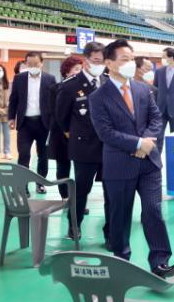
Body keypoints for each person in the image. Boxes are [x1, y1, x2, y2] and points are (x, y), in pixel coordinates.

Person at [90, 39, 174, 277]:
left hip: (149, 164)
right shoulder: (99, 97)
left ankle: (160, 261)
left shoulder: (142, 89)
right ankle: (121, 261)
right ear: (109, 63)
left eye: (132, 59)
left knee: (153, 210)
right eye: (124, 59)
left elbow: (156, 119)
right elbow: (105, 132)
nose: (130, 63)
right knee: (120, 216)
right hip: (119, 165)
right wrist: (138, 143)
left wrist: (146, 142)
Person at [57, 42, 110, 244]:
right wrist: (72, 134)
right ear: (86, 60)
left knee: (111, 192)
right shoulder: (70, 85)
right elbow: (61, 117)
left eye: (103, 61)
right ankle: (74, 225)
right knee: (81, 190)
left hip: (108, 147)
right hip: (84, 148)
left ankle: (111, 231)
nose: (99, 64)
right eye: (96, 60)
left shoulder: (108, 82)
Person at [8, 52, 57, 193]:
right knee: (23, 155)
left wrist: (54, 122)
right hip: (25, 124)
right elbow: (13, 99)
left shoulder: (50, 79)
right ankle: (22, 186)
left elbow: (54, 102)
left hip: (43, 123)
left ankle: (40, 183)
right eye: (29, 64)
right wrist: (11, 118)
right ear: (26, 64)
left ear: (41, 63)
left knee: (43, 155)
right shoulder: (19, 78)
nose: (33, 67)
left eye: (36, 64)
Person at [48, 56, 83, 200]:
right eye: (76, 69)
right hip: (61, 133)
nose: (79, 73)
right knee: (62, 166)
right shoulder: (55, 88)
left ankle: (79, 200)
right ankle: (65, 197)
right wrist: (66, 131)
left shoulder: (84, 89)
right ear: (67, 71)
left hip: (80, 134)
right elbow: (55, 112)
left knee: (81, 169)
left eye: (81, 69)